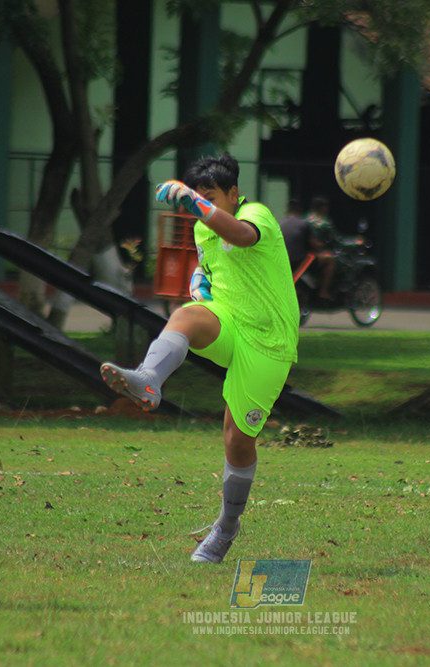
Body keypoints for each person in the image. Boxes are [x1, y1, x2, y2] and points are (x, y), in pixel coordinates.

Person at [101, 153, 298, 564]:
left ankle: (226, 527)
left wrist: (195, 203)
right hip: (229, 322)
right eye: (197, 196)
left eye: (211, 197)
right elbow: (211, 264)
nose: (202, 205)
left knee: (237, 441)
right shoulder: (202, 228)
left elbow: (240, 236)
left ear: (234, 194)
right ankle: (148, 378)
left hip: (268, 341)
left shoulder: (257, 214)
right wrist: (200, 280)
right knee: (186, 315)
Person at [306, 196, 338, 300]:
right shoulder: (324, 222)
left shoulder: (305, 218)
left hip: (302, 255)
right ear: (321, 207)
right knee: (331, 259)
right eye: (325, 206)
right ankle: (324, 291)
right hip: (312, 256)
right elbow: (336, 239)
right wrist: (354, 241)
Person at [278, 198, 312, 274]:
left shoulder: (280, 224)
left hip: (282, 260)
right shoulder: (304, 223)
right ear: (300, 210)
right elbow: (314, 244)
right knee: (328, 259)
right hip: (298, 261)